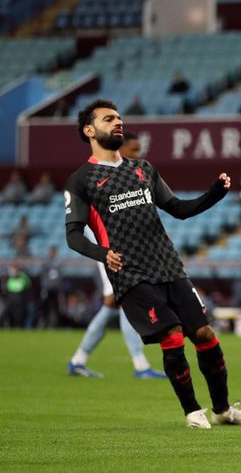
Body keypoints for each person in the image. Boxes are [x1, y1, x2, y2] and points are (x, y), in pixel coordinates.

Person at [64, 99, 241, 429]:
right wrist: (103, 254)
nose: (118, 122)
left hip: (169, 267)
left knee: (204, 334)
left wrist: (215, 193)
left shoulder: (143, 168)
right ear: (89, 130)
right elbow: (73, 236)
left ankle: (224, 410)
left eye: (119, 117)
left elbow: (179, 209)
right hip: (131, 274)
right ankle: (192, 412)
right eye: (108, 118)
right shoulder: (81, 179)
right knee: (171, 335)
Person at [67, 135, 166, 379]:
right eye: (133, 150)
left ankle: (78, 360)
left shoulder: (132, 175)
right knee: (126, 299)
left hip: (119, 249)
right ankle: (140, 365)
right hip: (107, 249)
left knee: (112, 306)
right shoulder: (99, 175)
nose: (138, 155)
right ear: (119, 149)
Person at [38, 245, 64, 329]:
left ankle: (54, 324)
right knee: (46, 306)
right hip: (47, 287)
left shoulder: (58, 261)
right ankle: (44, 323)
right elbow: (43, 275)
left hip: (55, 288)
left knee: (55, 307)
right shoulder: (46, 262)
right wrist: (44, 286)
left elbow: (60, 275)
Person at [2, 262, 32, 328]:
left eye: (13, 270)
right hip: (10, 300)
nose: (12, 272)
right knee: (7, 314)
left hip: (20, 300)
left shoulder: (23, 278)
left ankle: (19, 327)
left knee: (19, 317)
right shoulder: (7, 278)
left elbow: (27, 287)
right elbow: (5, 290)